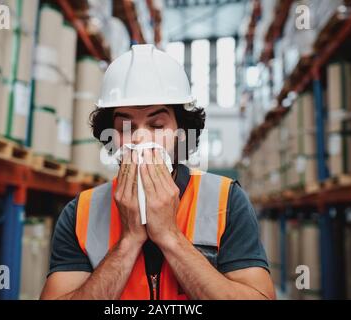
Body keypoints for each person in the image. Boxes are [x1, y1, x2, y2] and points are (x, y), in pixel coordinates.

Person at [40, 44, 275, 300]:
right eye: (126, 127)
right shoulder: (81, 213)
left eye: (157, 124)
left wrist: (169, 236)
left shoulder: (226, 201)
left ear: (181, 132)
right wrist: (128, 241)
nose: (141, 139)